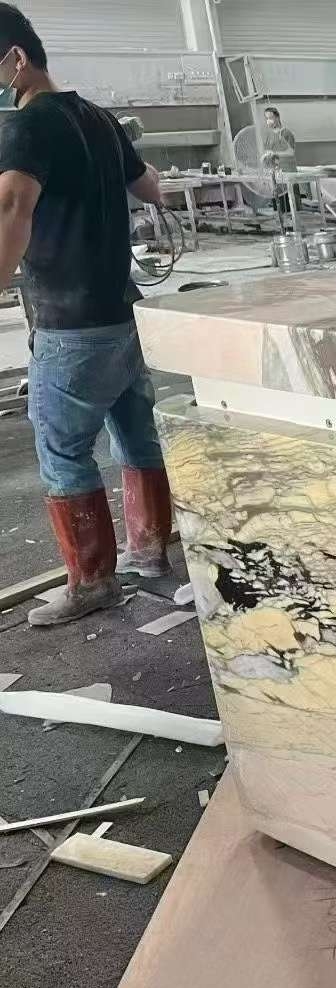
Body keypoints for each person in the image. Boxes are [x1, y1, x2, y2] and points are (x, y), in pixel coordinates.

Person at [0, 4, 173, 627]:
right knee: (136, 433)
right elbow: (149, 186)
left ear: (17, 58)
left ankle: (94, 581)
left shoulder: (25, 127)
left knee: (63, 449)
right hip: (124, 317)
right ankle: (150, 552)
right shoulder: (99, 118)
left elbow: (11, 208)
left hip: (70, 325)